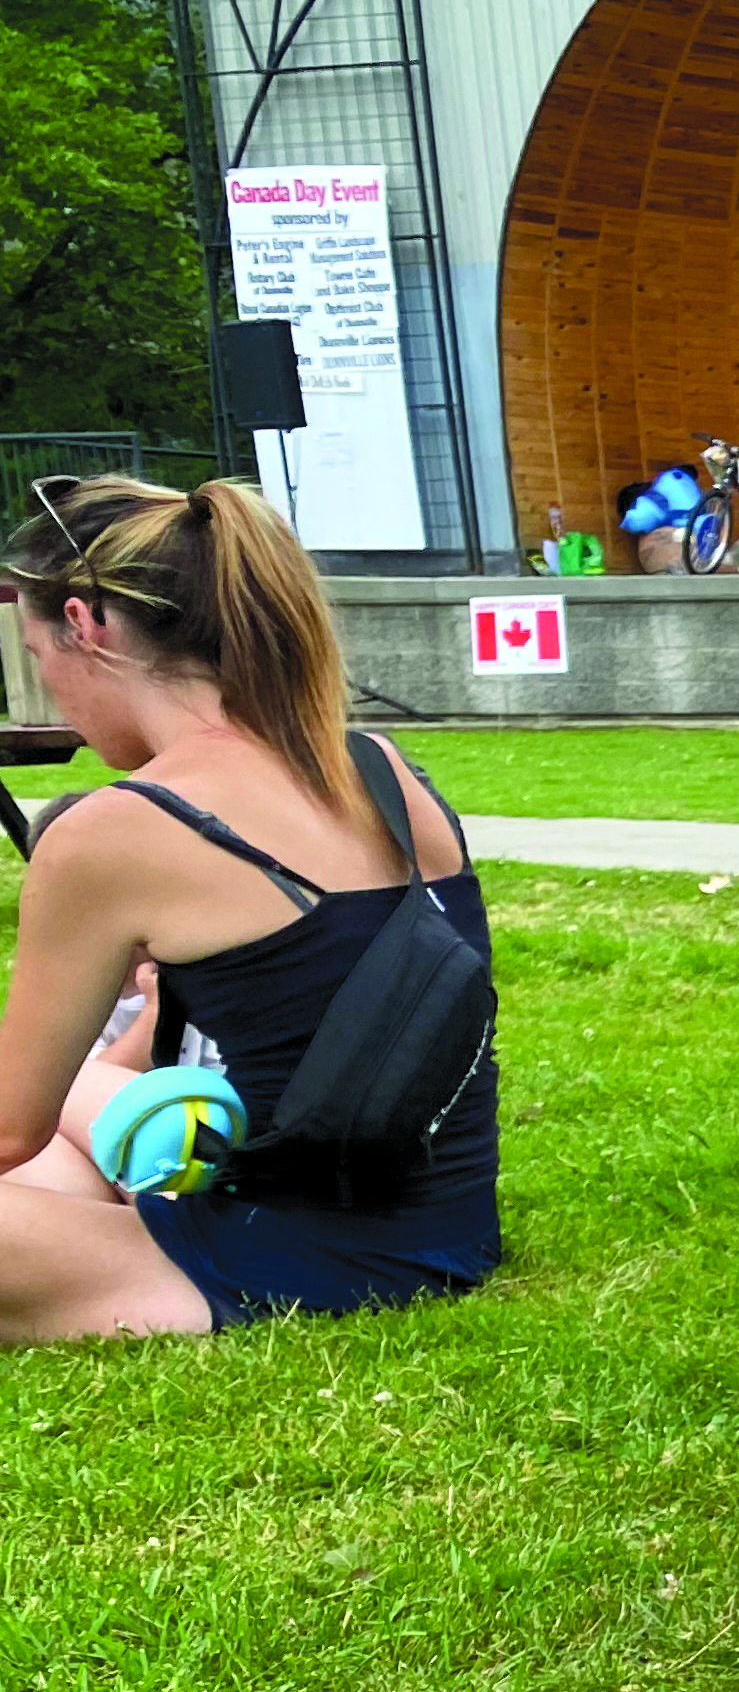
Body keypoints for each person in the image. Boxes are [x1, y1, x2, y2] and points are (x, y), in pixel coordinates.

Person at [0, 475, 502, 1344]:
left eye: (38, 656)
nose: (55, 698)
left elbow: (11, 1128)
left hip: (276, 1262)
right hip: (445, 1234)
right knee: (72, 1131)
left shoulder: (116, 828)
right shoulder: (382, 768)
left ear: (84, 624)